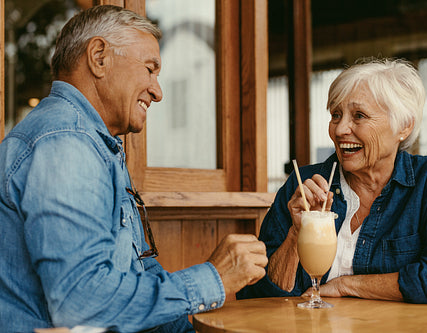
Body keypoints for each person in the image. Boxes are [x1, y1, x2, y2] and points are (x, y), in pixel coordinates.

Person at [0, 5, 267, 333]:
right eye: (150, 69)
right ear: (99, 57)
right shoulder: (67, 142)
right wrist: (213, 278)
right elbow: (82, 304)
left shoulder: (95, 144)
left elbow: (137, 285)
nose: (158, 91)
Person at [237, 58, 427, 304]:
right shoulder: (304, 185)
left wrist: (346, 285)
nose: (340, 129)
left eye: (359, 116)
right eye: (336, 115)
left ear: (403, 126)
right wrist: (295, 234)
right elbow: (256, 296)